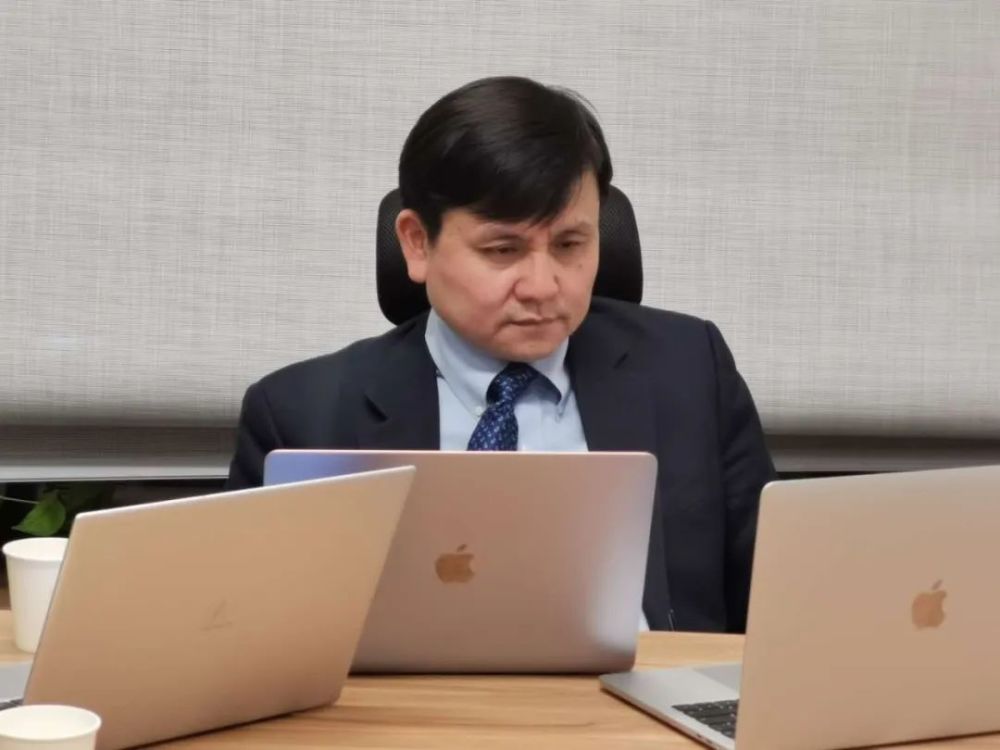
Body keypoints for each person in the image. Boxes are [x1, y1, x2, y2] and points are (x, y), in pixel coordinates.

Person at [226, 76, 775, 633]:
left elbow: (778, 605)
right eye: (503, 249)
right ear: (417, 243)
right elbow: (253, 640)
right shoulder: (301, 416)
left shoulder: (690, 371)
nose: (542, 286)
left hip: (649, 686)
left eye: (569, 244)